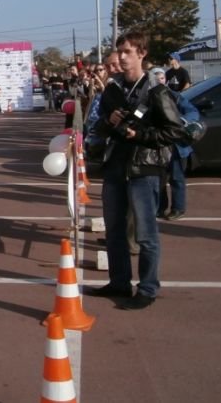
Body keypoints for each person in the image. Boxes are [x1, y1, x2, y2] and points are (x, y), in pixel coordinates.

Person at [86, 31, 186, 310]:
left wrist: (139, 135)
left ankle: (148, 288)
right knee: (115, 230)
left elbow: (173, 131)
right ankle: (119, 282)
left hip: (145, 169)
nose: (120, 57)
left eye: (127, 51)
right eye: (119, 51)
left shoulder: (156, 90)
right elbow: (98, 128)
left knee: (145, 234)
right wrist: (110, 119)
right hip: (115, 167)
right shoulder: (113, 90)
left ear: (141, 54)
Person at [148, 67, 198, 221]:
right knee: (159, 179)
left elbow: (192, 111)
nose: (160, 81)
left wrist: (182, 121)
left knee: (177, 178)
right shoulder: (148, 98)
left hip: (177, 145)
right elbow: (139, 113)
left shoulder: (175, 96)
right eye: (156, 79)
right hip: (158, 144)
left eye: (162, 78)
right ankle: (160, 208)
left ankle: (178, 208)